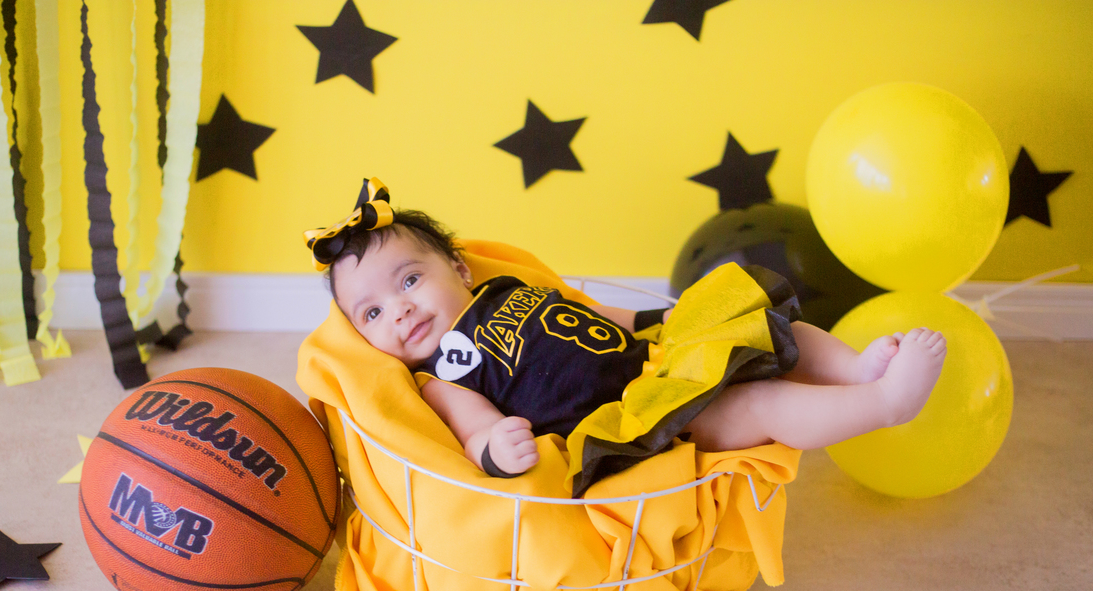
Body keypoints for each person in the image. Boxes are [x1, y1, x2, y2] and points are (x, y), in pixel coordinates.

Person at [306, 179, 946, 497]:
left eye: (411, 279)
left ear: (461, 269)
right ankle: (885, 406)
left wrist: (664, 320)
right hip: (630, 426)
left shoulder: (503, 292)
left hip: (653, 362)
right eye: (371, 314)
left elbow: (588, 313)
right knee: (753, 407)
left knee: (761, 316)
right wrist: (494, 449)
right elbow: (469, 429)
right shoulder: (440, 376)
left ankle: (856, 368)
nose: (400, 311)